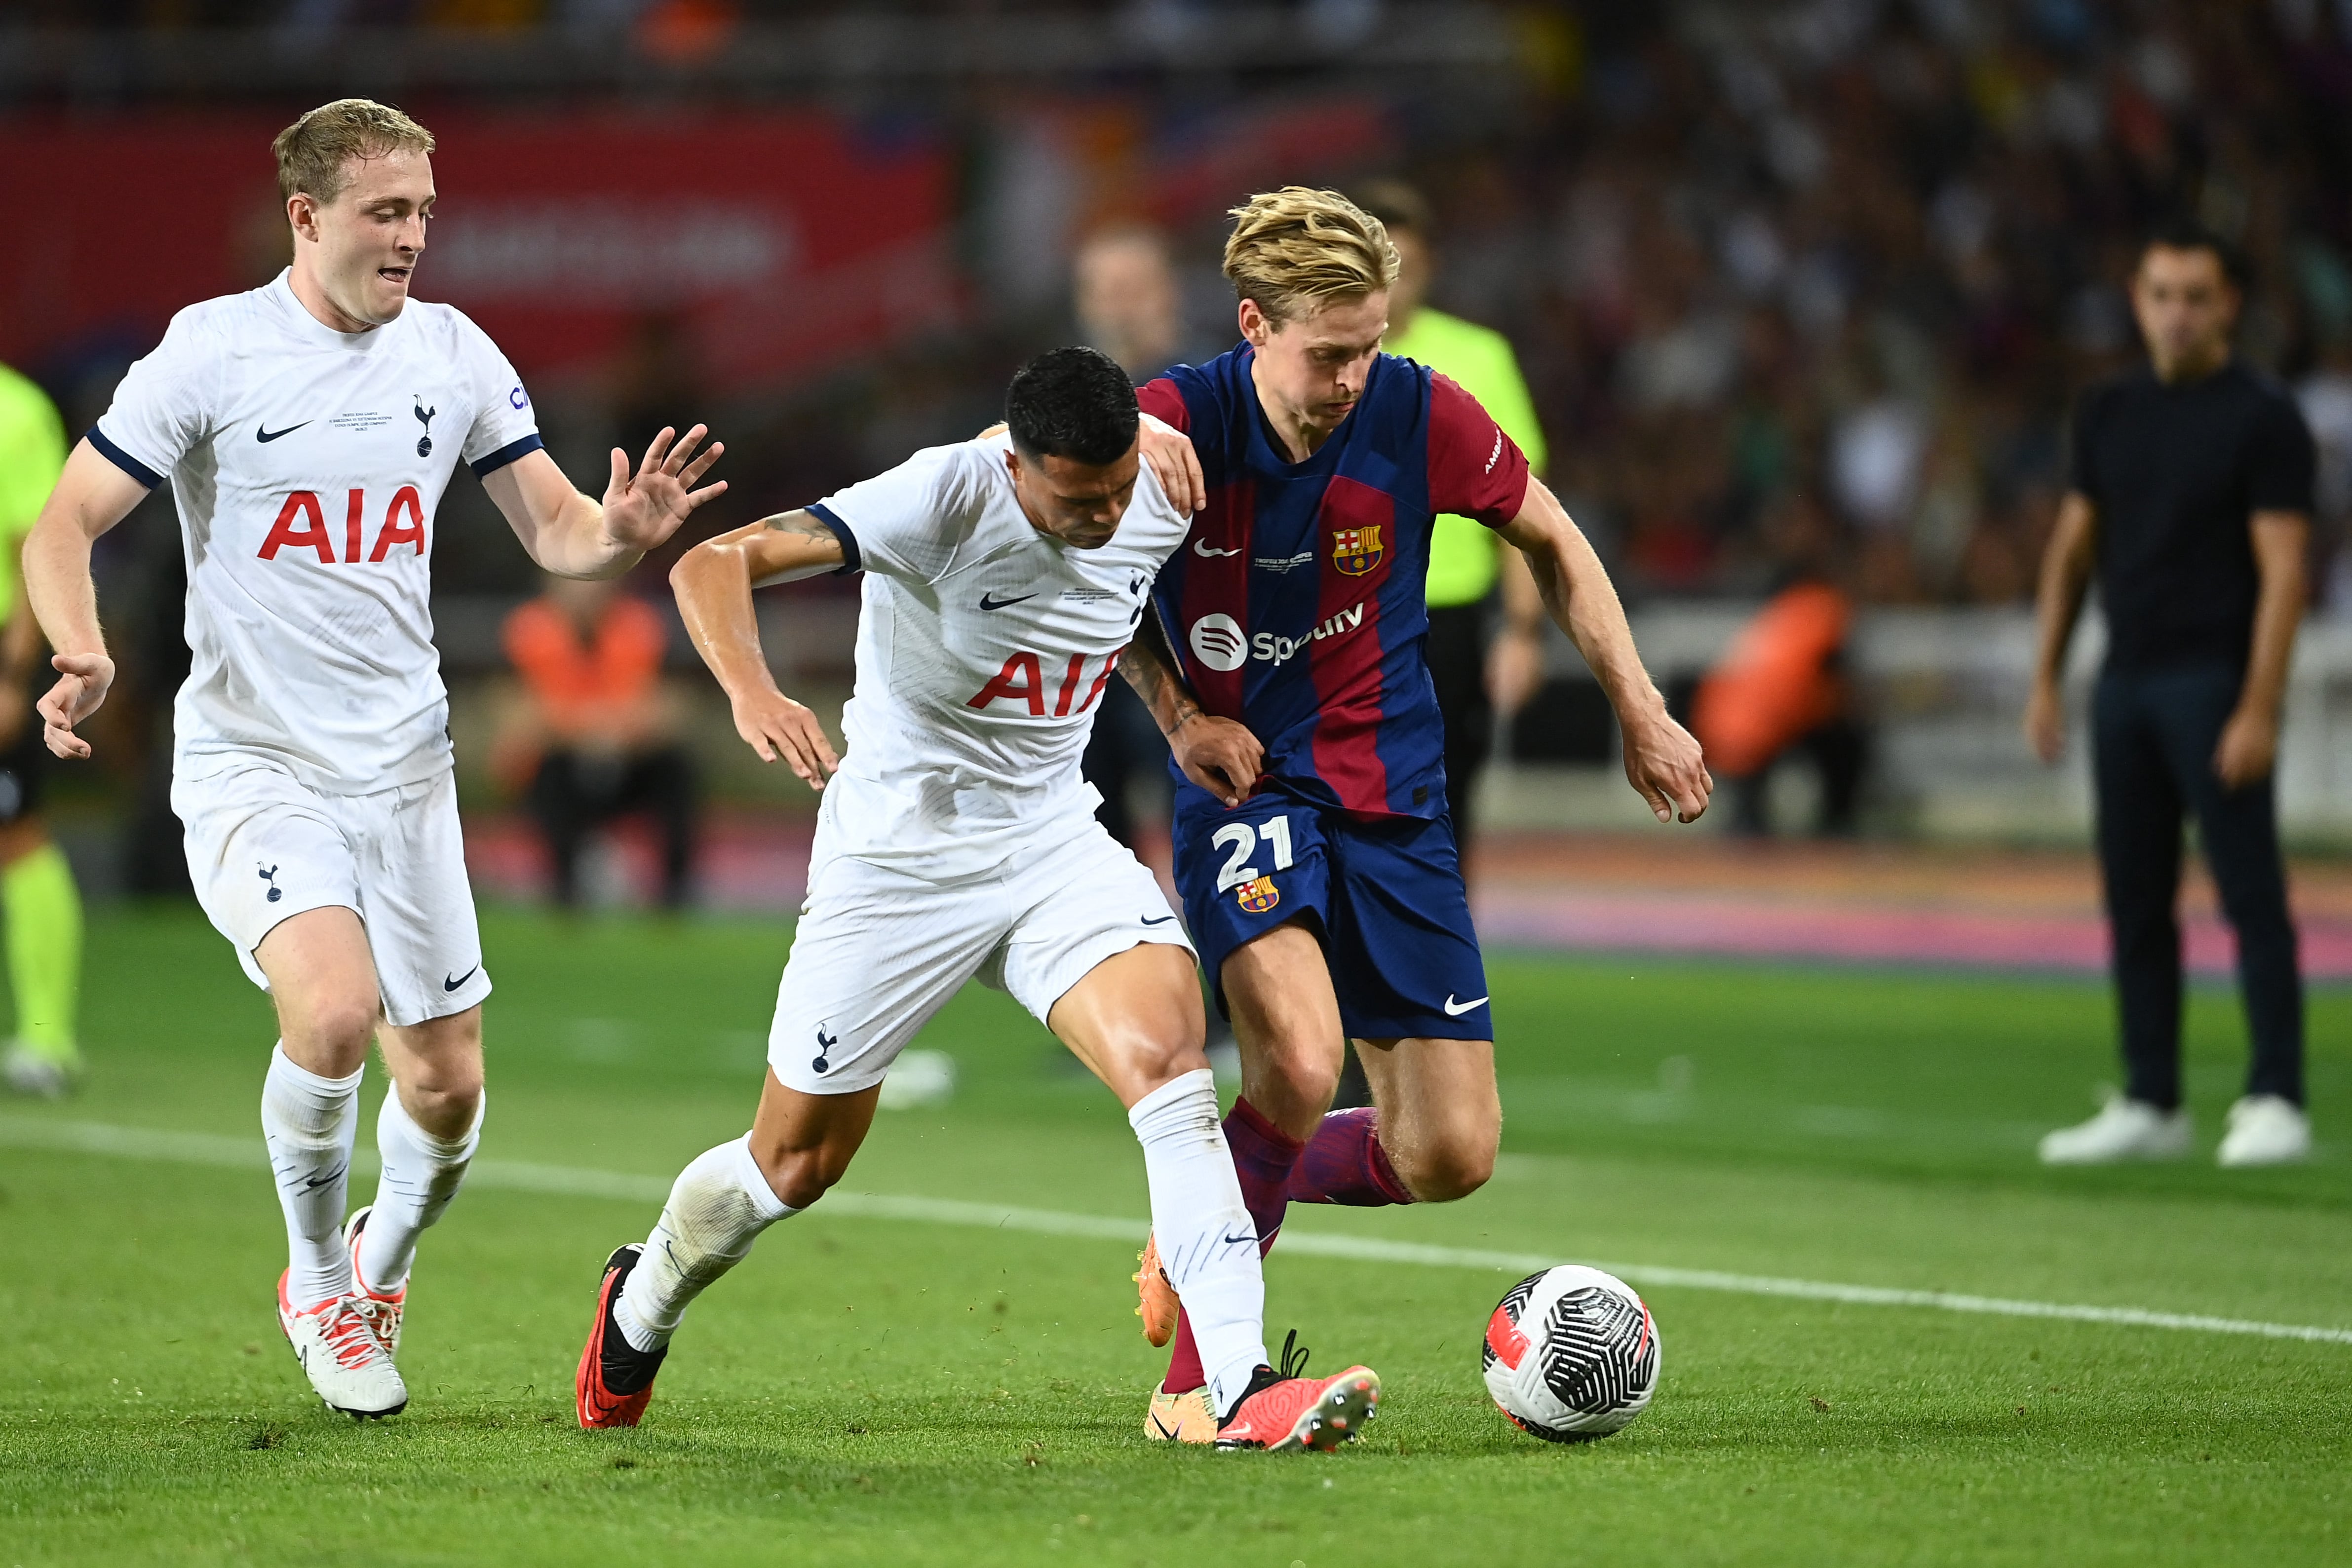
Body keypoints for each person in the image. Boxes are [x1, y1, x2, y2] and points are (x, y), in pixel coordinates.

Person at [25, 99, 728, 1419]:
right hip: (254, 760)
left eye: (424, 211)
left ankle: (376, 1259)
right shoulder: (214, 353)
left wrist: (622, 526)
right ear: (309, 217)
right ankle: (311, 1283)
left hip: (404, 771)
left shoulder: (453, 353)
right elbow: (61, 526)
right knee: (334, 1012)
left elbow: (557, 531)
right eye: (386, 212)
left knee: (448, 1089)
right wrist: (84, 646)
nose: (413, 236)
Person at [573, 348, 1381, 1453]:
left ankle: (1229, 1385)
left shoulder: (1152, 482)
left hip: (1050, 840)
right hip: (899, 858)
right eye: (1075, 498)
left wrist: (1178, 713)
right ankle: (645, 1293)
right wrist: (754, 690)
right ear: (1016, 465)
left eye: (1114, 491)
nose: (1103, 515)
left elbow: (1119, 605)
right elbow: (709, 564)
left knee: (1173, 1068)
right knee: (795, 1163)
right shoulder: (941, 494)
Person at [1117, 188, 1711, 1442]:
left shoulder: (1416, 407)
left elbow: (1548, 532)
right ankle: (1196, 1391)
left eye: (1369, 343)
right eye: (1327, 351)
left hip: (1393, 792)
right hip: (1246, 780)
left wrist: (1639, 706)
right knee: (1293, 1052)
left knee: (1448, 1151)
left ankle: (1210, 1201)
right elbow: (1071, 566)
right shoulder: (1174, 423)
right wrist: (1177, 717)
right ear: (1252, 326)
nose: (1351, 374)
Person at [2026, 222, 2315, 1169]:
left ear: (2230, 303)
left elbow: (2284, 572)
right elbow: (2074, 548)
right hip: (2127, 678)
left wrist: (2261, 704)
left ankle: (2278, 1095)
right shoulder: (2108, 410)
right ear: (2138, 298)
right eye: (2161, 294)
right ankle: (2153, 1097)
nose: (2177, 314)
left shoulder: (2264, 416)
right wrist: (2047, 677)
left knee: (2249, 893)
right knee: (2136, 896)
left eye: (2196, 296)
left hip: (2212, 680)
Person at [1353, 181, 1551, 843]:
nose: (1390, 282)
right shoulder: (1315, 360)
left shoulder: (1479, 357)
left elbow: (1524, 508)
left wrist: (1522, 631)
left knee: (1446, 798)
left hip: (1449, 618)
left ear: (1428, 268)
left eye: (1402, 264)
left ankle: (1436, 941)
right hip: (1341, 613)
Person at [1070, 223, 1193, 850]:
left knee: (1201, 814)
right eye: (1103, 291)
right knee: (1092, 831)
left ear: (1167, 293)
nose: (1117, 305)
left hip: (1185, 638)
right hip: (1085, 645)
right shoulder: (1057, 396)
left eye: (1132, 289)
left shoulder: (1212, 388)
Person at [500, 574, 699, 909]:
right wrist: (587, 727)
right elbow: (515, 714)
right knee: (549, 774)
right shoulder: (528, 628)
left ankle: (674, 896)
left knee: (675, 769)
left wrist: (610, 728)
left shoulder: (642, 624)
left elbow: (671, 706)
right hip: (560, 761)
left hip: (631, 756)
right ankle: (564, 896)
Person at [0, 356, 83, 1098]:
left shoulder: (16, 412)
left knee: (17, 838)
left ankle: (46, 1039)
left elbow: (39, 547)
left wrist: (12, 678)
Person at [1690, 570, 1864, 837]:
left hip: (1719, 724)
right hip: (1764, 726)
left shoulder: (1779, 616)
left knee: (1747, 819)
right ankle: (1838, 825)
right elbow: (1834, 679)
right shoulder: (1825, 610)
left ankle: (1746, 834)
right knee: (1847, 743)